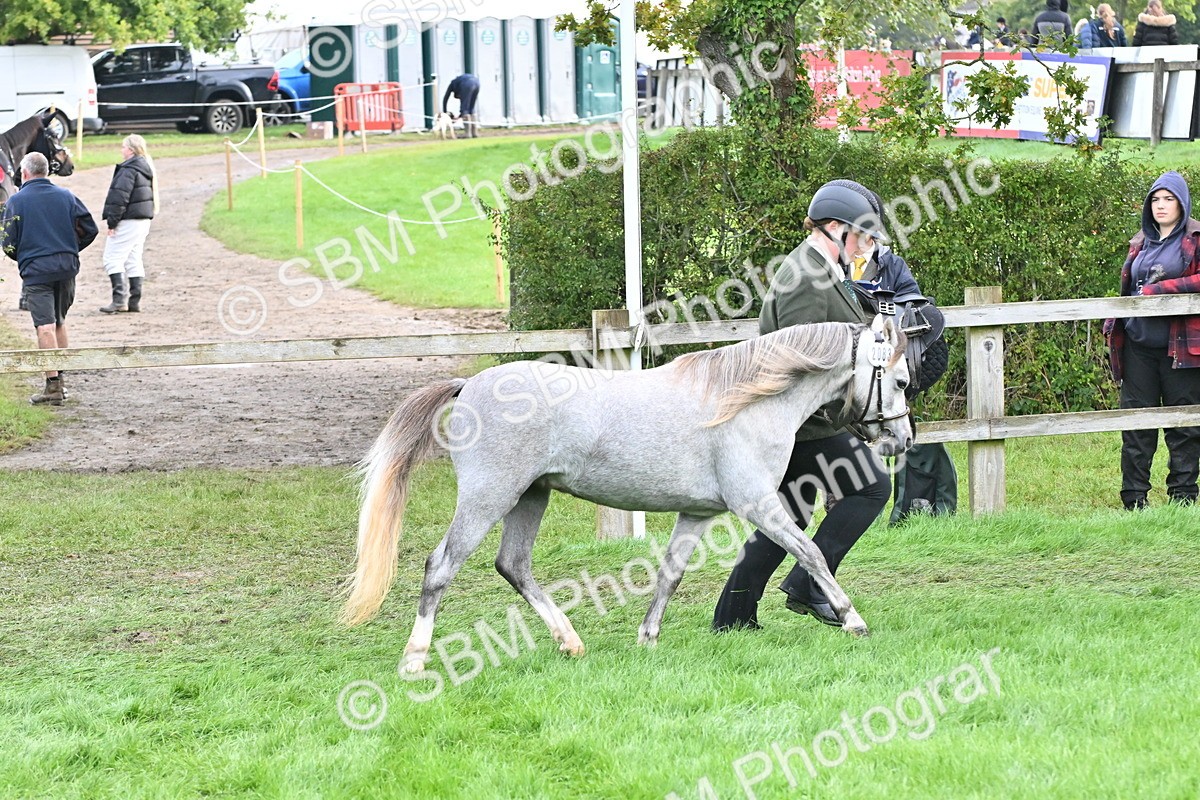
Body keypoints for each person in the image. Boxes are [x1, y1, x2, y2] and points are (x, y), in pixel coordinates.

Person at [712, 179, 897, 632]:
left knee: (788, 515)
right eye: (862, 235)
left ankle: (732, 618)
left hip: (803, 423)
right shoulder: (806, 279)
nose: (866, 246)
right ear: (835, 228)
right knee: (872, 487)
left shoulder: (822, 269)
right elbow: (800, 365)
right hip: (806, 423)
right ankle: (810, 583)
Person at [1104, 172, 1200, 508]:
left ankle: (1183, 497)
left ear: (1182, 204)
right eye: (1155, 200)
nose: (1161, 206)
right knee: (1136, 424)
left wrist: (1160, 290)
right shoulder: (1140, 241)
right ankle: (1134, 499)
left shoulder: (1196, 238)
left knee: (1184, 425)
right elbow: (1129, 289)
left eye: (1168, 199)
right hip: (1137, 345)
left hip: (1181, 349)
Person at [0, 152, 98, 405]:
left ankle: (53, 386)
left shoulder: (16, 201)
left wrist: (24, 258)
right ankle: (61, 380)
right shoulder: (66, 196)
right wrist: (70, 249)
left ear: (25, 173)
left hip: (37, 271)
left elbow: (7, 241)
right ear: (46, 171)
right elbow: (90, 229)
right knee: (59, 323)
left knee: (44, 326)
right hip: (66, 267)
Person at [100, 134, 156, 313]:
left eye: (123, 147)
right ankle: (134, 301)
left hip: (129, 220)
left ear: (131, 150)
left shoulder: (128, 170)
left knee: (112, 258)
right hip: (143, 221)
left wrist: (112, 223)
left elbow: (119, 198)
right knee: (133, 259)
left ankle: (119, 300)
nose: (121, 150)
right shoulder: (145, 167)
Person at [442, 74, 481, 139]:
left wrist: (445, 112)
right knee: (471, 109)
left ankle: (467, 134)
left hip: (467, 83)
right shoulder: (458, 84)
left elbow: (445, 98)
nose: (461, 98)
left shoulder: (452, 85)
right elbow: (465, 110)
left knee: (465, 109)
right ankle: (475, 133)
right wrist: (458, 117)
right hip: (477, 82)